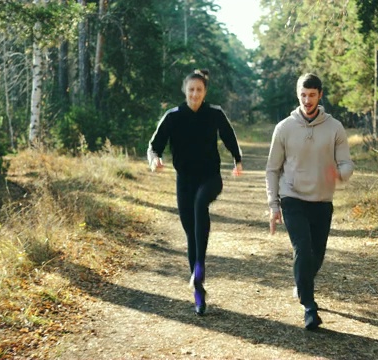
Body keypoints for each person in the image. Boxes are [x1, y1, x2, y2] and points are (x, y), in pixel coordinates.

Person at [147, 69, 243, 316]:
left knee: (201, 205)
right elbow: (154, 146)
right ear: (185, 90)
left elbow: (229, 136)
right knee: (191, 233)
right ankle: (198, 291)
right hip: (184, 181)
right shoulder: (173, 116)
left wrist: (237, 160)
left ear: (205, 92)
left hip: (211, 178)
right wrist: (154, 160)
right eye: (191, 89)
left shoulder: (214, 113)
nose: (195, 94)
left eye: (199, 90)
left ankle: (199, 269)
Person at [265, 73, 354, 330]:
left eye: (312, 95)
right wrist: (274, 205)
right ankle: (309, 307)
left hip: (322, 200)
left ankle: (302, 283)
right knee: (302, 250)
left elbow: (346, 162)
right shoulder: (284, 128)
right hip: (292, 197)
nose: (307, 100)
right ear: (298, 95)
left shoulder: (334, 127)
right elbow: (272, 169)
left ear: (320, 95)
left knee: (316, 257)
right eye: (303, 95)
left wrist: (341, 173)